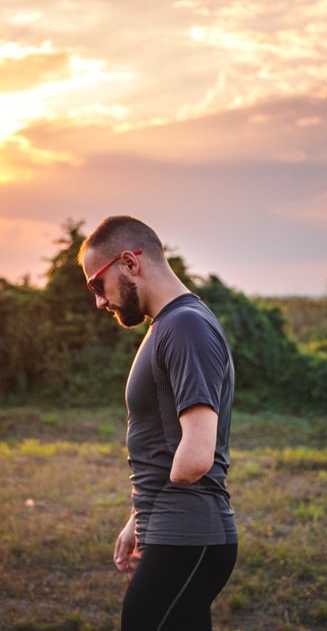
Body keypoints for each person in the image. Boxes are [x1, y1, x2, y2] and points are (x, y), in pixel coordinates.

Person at [78, 215, 238, 631]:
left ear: (130, 263)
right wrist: (140, 518)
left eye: (98, 284)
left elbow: (195, 457)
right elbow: (168, 442)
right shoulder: (169, 325)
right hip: (174, 530)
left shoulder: (185, 326)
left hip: (187, 536)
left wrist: (157, 513)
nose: (98, 301)